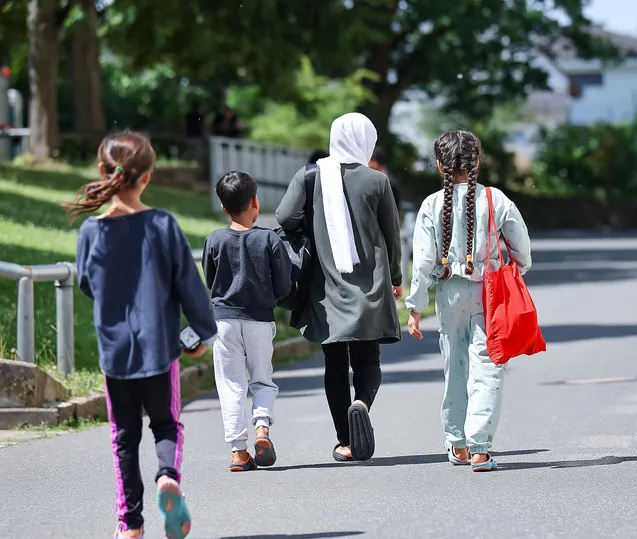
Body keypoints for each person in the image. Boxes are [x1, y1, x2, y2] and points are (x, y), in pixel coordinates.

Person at [67, 131, 217, 539]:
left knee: (124, 436)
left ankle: (131, 523)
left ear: (103, 171)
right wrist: (198, 336)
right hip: (160, 349)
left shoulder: (91, 231)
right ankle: (167, 476)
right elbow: (190, 288)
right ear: (147, 176)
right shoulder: (162, 224)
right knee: (166, 424)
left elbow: (86, 284)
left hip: (115, 353)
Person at [276, 113, 402, 463]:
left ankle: (346, 441)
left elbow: (284, 217)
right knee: (368, 358)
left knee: (334, 363)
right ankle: (362, 403)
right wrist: (395, 278)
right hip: (369, 286)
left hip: (325, 287)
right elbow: (392, 236)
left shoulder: (310, 175)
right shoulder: (378, 181)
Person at [405, 130, 532, 473]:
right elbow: (522, 249)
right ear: (478, 161)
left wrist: (415, 306)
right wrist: (517, 269)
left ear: (439, 164)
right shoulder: (495, 198)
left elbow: (423, 261)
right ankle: (480, 447)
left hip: (449, 293)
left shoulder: (432, 204)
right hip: (489, 292)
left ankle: (457, 443)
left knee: (455, 365)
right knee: (488, 365)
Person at [203, 171, 292, 472]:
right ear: (255, 201)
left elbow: (210, 279)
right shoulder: (269, 239)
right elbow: (284, 284)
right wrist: (271, 298)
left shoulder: (214, 240)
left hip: (224, 322)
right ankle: (262, 429)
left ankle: (238, 452)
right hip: (260, 320)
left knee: (231, 384)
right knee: (262, 378)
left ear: (223, 207)